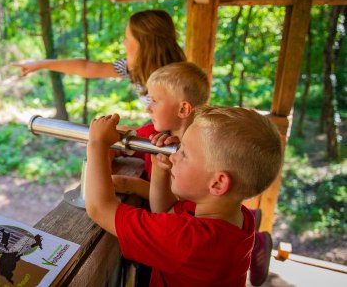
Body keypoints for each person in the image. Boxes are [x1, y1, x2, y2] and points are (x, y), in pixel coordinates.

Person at [110, 62, 273, 286]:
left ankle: (258, 243)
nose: (148, 108)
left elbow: (101, 208)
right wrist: (157, 168)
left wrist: (127, 183)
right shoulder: (166, 138)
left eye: (154, 101)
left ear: (183, 109)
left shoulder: (204, 153)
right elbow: (169, 210)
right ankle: (256, 242)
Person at [85, 105, 283, 286]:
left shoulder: (190, 240)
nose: (174, 156)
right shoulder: (237, 217)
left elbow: (100, 208)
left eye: (184, 154)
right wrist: (160, 169)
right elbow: (163, 211)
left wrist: (97, 144)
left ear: (218, 183)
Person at [13, 9, 186, 108]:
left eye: (127, 38)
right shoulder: (134, 68)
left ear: (145, 45)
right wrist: (41, 64)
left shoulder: (177, 80)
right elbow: (86, 68)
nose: (124, 43)